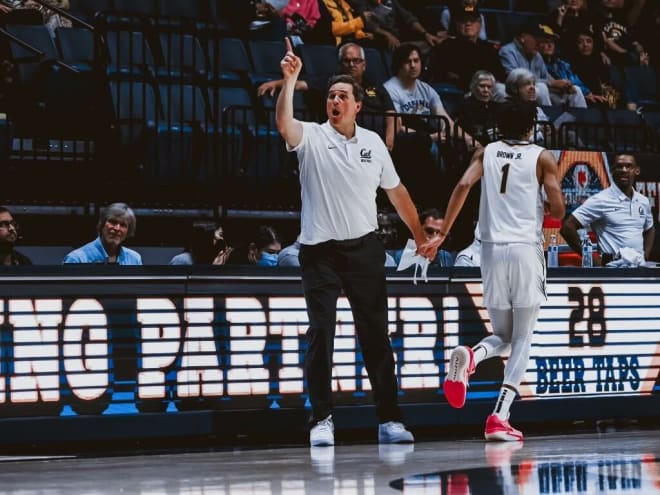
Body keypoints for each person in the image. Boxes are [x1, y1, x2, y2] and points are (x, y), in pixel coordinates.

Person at [276, 37, 436, 446]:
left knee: (375, 336)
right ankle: (322, 419)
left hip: (364, 249)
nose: (335, 101)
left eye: (342, 96)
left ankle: (389, 419)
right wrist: (290, 81)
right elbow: (284, 125)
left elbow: (398, 195)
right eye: (331, 95)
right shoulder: (311, 137)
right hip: (320, 253)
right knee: (321, 334)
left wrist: (420, 238)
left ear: (357, 105)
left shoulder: (374, 144)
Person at [428, 99, 565, 441]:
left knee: (504, 335)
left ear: (499, 126)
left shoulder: (485, 152)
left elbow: (461, 186)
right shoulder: (542, 156)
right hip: (523, 249)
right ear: (531, 126)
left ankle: (471, 356)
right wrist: (544, 197)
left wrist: (443, 233)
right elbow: (559, 210)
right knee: (522, 339)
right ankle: (499, 416)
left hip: (488, 252)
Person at [258, 42, 397, 148]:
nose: (351, 64)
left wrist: (389, 143)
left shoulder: (375, 84)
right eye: (347, 61)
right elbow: (300, 84)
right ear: (340, 64)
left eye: (356, 61)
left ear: (364, 65)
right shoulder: (330, 82)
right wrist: (276, 83)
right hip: (346, 141)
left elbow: (391, 115)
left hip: (378, 139)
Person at [560, 154, 654, 266]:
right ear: (612, 171)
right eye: (619, 166)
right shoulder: (600, 200)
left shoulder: (643, 201)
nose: (624, 170)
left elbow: (650, 229)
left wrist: (645, 255)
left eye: (629, 166)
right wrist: (592, 260)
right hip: (612, 271)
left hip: (639, 270)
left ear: (636, 171)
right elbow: (567, 228)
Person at [499, 22, 586, 108]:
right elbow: (514, 80)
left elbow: (547, 77)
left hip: (539, 93)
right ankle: (544, 121)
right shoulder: (508, 51)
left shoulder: (536, 55)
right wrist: (551, 83)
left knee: (576, 90)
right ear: (522, 38)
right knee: (542, 88)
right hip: (518, 92)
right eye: (537, 39)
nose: (540, 43)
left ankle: (579, 121)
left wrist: (564, 85)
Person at [428, 6, 506, 98]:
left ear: (480, 25)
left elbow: (500, 75)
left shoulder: (488, 48)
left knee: (501, 89)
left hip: (487, 90)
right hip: (460, 91)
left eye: (472, 21)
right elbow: (441, 74)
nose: (468, 23)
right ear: (456, 24)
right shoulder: (447, 46)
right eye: (463, 20)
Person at [538, 26, 607, 106]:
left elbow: (575, 81)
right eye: (546, 42)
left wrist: (588, 93)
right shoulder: (536, 62)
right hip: (549, 96)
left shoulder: (561, 64)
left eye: (552, 42)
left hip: (563, 97)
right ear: (538, 45)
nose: (550, 45)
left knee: (584, 95)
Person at [63, 203, 142, 265]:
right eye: (113, 222)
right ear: (102, 224)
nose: (117, 228)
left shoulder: (134, 259)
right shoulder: (76, 259)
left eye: (123, 225)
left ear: (128, 231)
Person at [454, 70, 501, 146]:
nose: (486, 90)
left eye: (489, 87)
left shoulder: (498, 107)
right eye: (482, 86)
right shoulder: (464, 107)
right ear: (474, 87)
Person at [169, 222, 233, 265]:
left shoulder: (206, 259)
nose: (222, 239)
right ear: (205, 239)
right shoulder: (182, 260)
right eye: (220, 235)